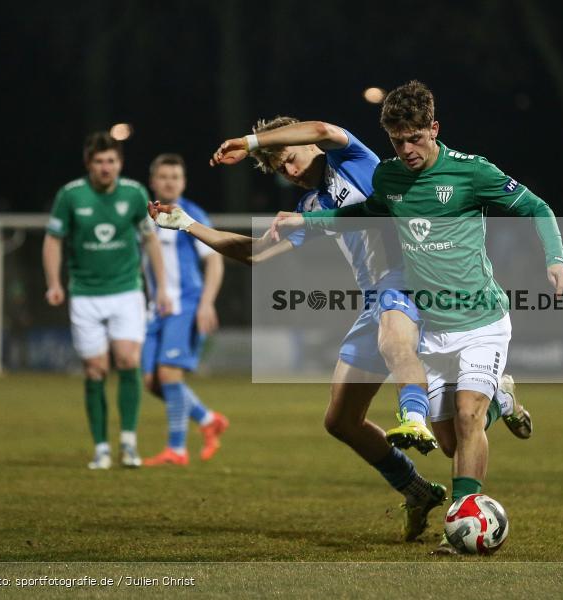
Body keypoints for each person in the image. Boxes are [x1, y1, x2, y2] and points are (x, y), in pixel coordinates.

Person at [269, 80, 563, 553]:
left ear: (434, 129)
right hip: (431, 329)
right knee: (452, 443)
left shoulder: (472, 173)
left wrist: (555, 259)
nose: (408, 150)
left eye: (416, 138)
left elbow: (536, 206)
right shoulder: (390, 179)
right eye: (398, 141)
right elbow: (362, 214)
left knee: (469, 417)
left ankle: (461, 524)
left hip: (481, 320)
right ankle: (505, 399)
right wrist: (305, 222)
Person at [152, 117, 449, 540]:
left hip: (411, 281)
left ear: (304, 145)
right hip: (374, 302)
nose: (290, 172)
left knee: (442, 399)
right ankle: (417, 489)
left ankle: (423, 414)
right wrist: (186, 224)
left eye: (290, 157)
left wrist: (251, 142)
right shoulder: (309, 207)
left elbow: (322, 129)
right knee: (341, 421)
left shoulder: (352, 157)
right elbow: (254, 253)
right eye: (280, 170)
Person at [43, 131, 170, 470]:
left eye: (111, 161)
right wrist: (54, 282)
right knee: (95, 369)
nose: (105, 167)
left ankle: (128, 443)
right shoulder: (70, 196)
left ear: (120, 163)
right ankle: (101, 447)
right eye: (99, 161)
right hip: (85, 294)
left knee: (128, 360)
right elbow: (53, 240)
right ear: (89, 164)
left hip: (127, 291)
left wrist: (160, 288)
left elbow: (151, 241)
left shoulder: (134, 193)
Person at [139, 154, 227, 466]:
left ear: (184, 182)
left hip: (186, 304)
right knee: (152, 382)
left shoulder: (192, 214)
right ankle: (207, 418)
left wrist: (206, 303)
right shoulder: (145, 215)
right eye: (164, 177)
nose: (169, 182)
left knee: (169, 374)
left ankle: (176, 448)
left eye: (175, 177)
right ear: (153, 181)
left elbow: (214, 259)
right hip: (155, 310)